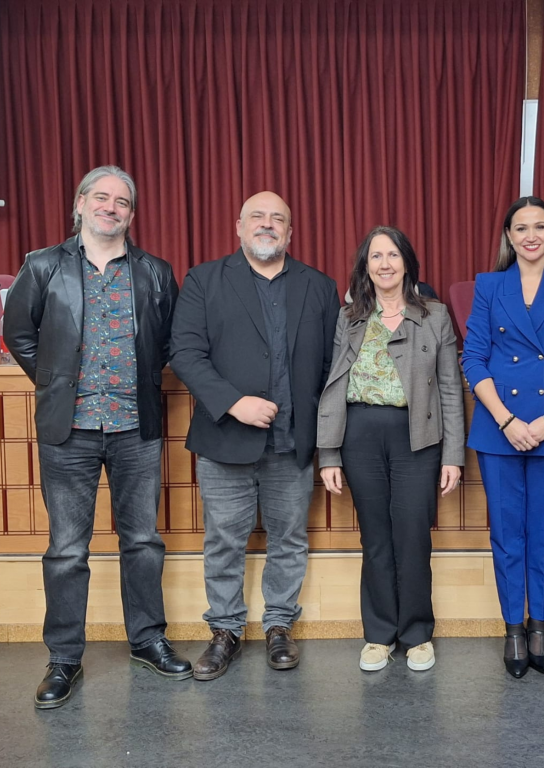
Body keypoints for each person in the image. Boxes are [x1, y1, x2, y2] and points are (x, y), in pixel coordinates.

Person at [3, 165, 190, 710]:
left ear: (132, 214)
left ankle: (148, 640)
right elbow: (19, 334)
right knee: (66, 549)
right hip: (70, 429)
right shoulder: (42, 266)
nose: (111, 207)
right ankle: (63, 658)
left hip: (137, 427)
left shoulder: (155, 271)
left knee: (143, 542)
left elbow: (171, 340)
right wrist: (58, 381)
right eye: (101, 198)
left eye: (122, 201)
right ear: (80, 204)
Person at [170, 191, 340, 680]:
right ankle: (224, 631)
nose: (268, 225)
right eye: (258, 217)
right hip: (225, 439)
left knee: (289, 538)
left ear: (291, 231)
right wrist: (233, 401)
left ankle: (280, 626)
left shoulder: (319, 287)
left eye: (278, 219)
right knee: (224, 540)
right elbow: (185, 352)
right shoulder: (204, 280)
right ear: (238, 226)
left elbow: (332, 368)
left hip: (294, 443)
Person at [461, 196, 544, 678]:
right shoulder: (489, 285)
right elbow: (473, 358)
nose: (531, 235)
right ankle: (512, 627)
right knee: (506, 535)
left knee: (542, 535)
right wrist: (506, 420)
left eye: (540, 226)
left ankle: (539, 624)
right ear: (509, 236)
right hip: (499, 430)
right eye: (521, 227)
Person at [318, 226, 465, 672]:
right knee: (376, 538)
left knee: (413, 536)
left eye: (392, 255)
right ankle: (379, 634)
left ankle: (417, 633)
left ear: (406, 263)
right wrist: (328, 454)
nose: (384, 264)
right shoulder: (348, 318)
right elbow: (332, 385)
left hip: (417, 437)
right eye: (375, 256)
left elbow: (450, 389)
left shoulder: (434, 316)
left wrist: (453, 455)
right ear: (366, 266)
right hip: (360, 433)